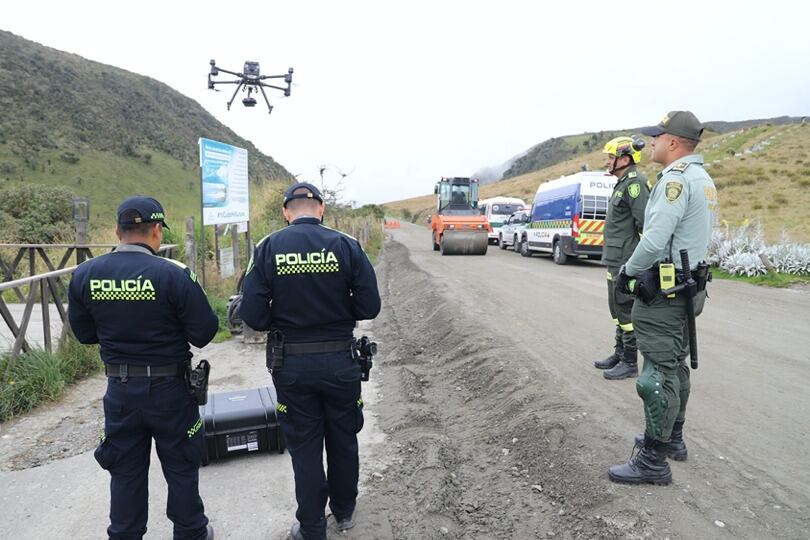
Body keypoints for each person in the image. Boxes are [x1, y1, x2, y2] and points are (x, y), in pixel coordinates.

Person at [68, 196, 218, 540]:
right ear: (155, 231)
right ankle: (192, 532)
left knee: (125, 471)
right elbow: (205, 332)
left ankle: (124, 534)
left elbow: (85, 334)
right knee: (181, 466)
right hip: (170, 391)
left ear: (118, 231)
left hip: (120, 391)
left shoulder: (86, 274)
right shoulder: (174, 274)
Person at [240, 182, 381, 540]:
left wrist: (283, 316)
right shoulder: (346, 245)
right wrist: (336, 311)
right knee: (343, 438)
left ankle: (312, 527)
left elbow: (253, 315)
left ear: (287, 211)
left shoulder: (268, 247)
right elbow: (369, 306)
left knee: (304, 447)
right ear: (320, 209)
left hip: (292, 365)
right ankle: (345, 512)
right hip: (340, 361)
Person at [609, 111, 718, 485]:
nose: (651, 143)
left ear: (673, 142)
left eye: (656, 137)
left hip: (666, 292)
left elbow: (654, 240)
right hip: (690, 288)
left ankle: (653, 461)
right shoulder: (701, 178)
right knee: (676, 365)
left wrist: (626, 272)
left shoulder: (674, 180)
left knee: (654, 374)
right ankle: (673, 439)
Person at [594, 136, 650, 380]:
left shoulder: (635, 184)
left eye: (610, 157)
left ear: (624, 159)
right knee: (616, 307)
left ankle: (629, 361)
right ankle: (619, 353)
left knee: (626, 309)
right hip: (615, 257)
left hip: (626, 259)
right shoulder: (622, 183)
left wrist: (639, 263)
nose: (607, 161)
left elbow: (644, 225)